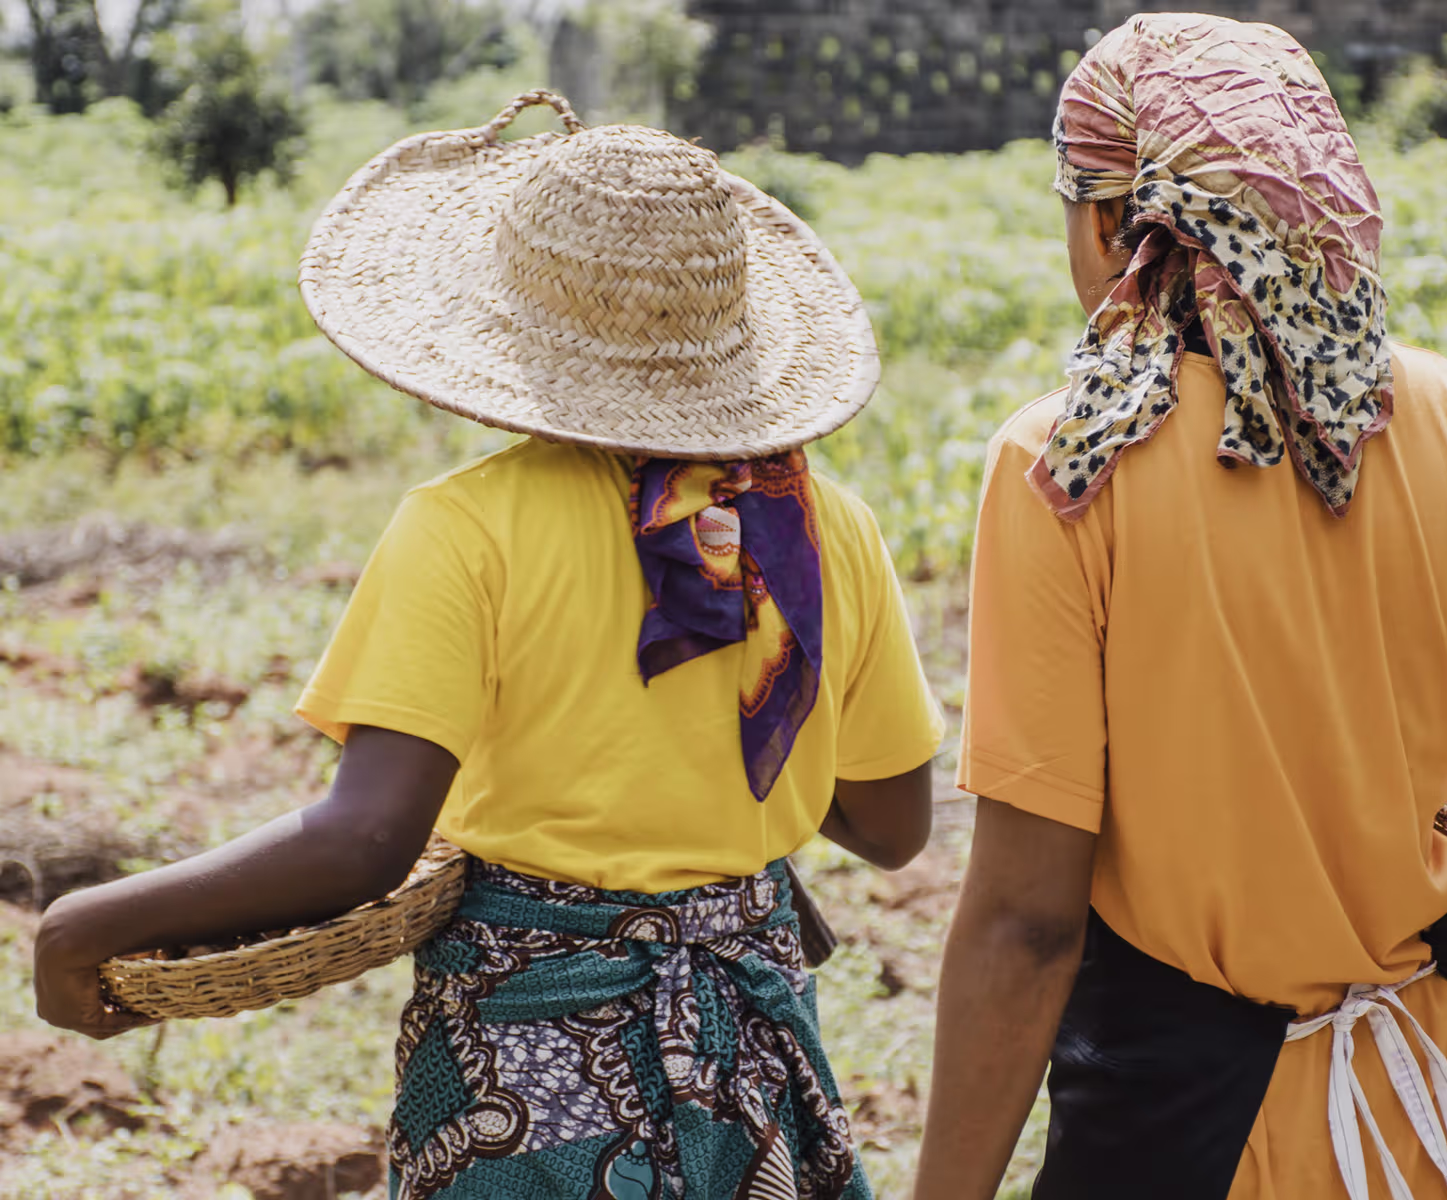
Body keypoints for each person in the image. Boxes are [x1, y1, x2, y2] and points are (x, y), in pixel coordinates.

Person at [912, 16, 1447, 1200]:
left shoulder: (1068, 466)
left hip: (1183, 1140)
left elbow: (1027, 926)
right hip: (1441, 1129)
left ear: (1110, 224)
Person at [34, 91, 945, 1200]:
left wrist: (87, 922)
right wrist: (735, 762)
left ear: (508, 324)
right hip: (749, 1060)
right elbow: (892, 826)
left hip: (525, 1071)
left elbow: (367, 838)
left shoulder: (465, 528)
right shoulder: (821, 529)